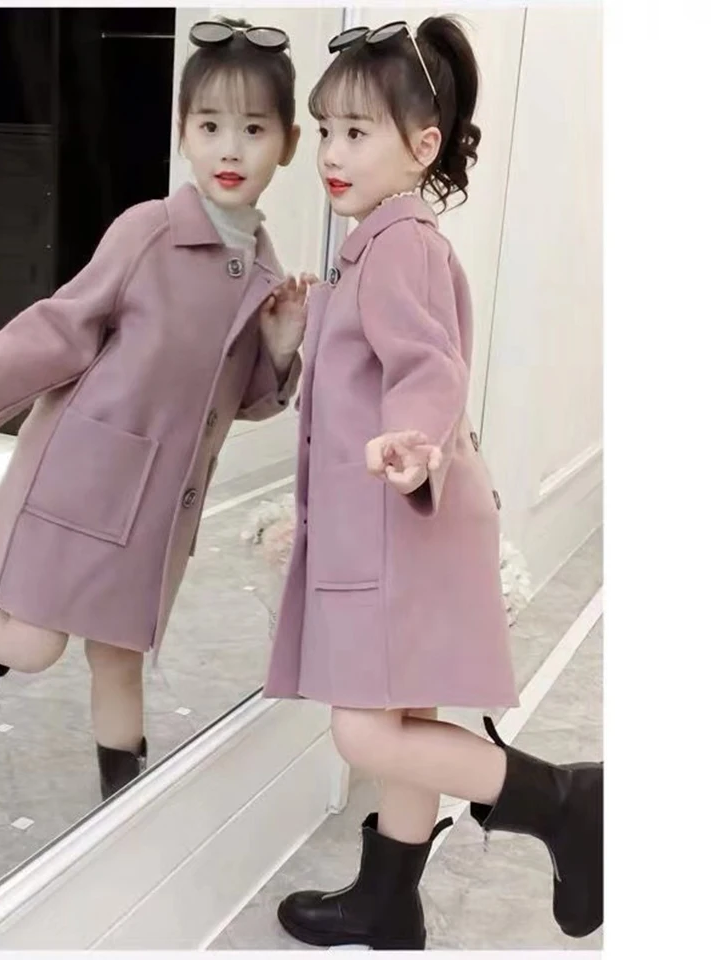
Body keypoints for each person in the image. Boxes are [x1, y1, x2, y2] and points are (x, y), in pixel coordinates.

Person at [0, 18, 313, 802]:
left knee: (118, 658)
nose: (230, 149)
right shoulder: (148, 231)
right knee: (38, 645)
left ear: (288, 144)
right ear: (183, 131)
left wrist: (280, 350)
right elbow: (63, 322)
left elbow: (240, 402)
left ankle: (123, 809)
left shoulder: (265, 272)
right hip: (83, 482)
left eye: (253, 129)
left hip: (157, 512)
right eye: (210, 125)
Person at [263, 16, 603, 949]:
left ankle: (567, 803)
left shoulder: (400, 244)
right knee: (404, 718)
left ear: (421, 147)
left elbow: (427, 364)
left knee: (366, 732)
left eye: (356, 132)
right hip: (401, 524)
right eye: (324, 130)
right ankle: (386, 900)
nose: (331, 153)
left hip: (403, 529)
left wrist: (413, 439)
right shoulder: (375, 246)